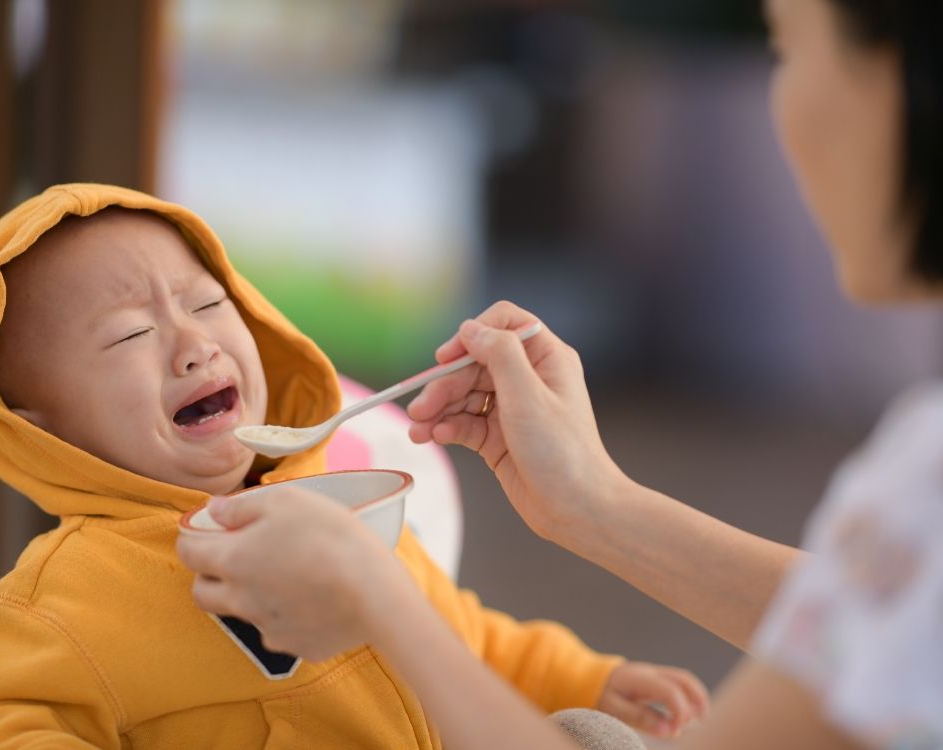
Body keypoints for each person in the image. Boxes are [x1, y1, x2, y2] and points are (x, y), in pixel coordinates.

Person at [176, 0, 943, 747]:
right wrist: (593, 504)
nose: (190, 350)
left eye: (787, 49)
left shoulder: (922, 476)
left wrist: (382, 603)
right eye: (129, 335)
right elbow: (882, 627)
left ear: (905, 76)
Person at [0, 183, 708, 748]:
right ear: (36, 427)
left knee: (597, 735)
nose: (195, 344)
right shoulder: (66, 599)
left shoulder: (336, 497)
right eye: (128, 338)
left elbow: (459, 633)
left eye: (209, 305)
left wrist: (585, 678)